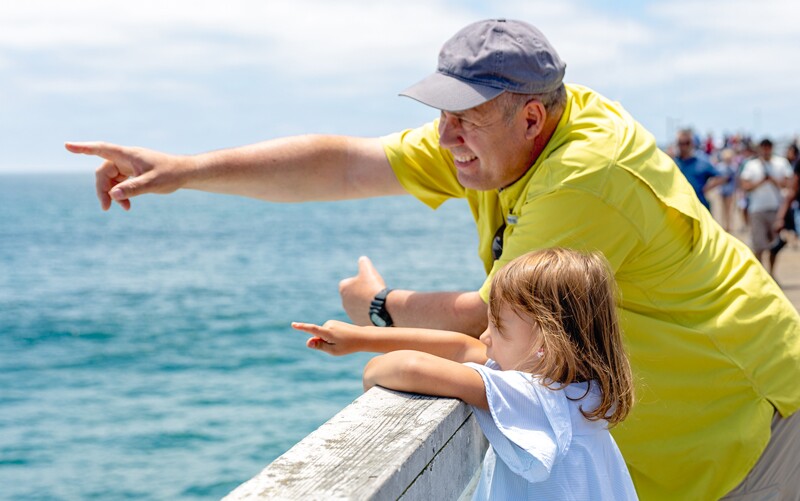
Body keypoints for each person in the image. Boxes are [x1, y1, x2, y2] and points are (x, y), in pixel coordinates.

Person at [65, 19, 800, 500]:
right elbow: (347, 165)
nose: (444, 136)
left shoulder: (585, 177)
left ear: (532, 117)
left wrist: (380, 307)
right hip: (660, 436)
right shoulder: (495, 137)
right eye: (440, 114)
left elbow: (495, 321)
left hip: (742, 415)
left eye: (462, 119)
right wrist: (183, 169)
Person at [293, 248, 639, 500]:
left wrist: (372, 367)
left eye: (498, 328)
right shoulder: (579, 389)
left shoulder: (533, 396)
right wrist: (361, 338)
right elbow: (461, 348)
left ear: (544, 345)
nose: (484, 337)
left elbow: (407, 368)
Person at [739, 138, 794, 276]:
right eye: (763, 148)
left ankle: (771, 273)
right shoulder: (751, 165)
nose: (765, 151)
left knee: (774, 246)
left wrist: (773, 180)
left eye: (768, 147)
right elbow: (745, 185)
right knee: (759, 245)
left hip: (776, 209)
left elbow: (788, 184)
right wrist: (761, 182)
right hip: (757, 209)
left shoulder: (781, 163)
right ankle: (761, 274)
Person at [672, 128, 725, 211]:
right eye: (681, 143)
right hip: (680, 207)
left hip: (700, 206)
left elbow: (721, 177)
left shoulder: (702, 161)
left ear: (692, 144)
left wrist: (706, 188)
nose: (684, 146)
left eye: (687, 143)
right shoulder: (673, 163)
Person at [716, 148, 739, 232]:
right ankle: (724, 224)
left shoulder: (734, 167)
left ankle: (729, 224)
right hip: (722, 190)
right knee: (723, 208)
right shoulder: (720, 167)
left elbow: (736, 179)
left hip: (730, 190)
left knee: (729, 209)